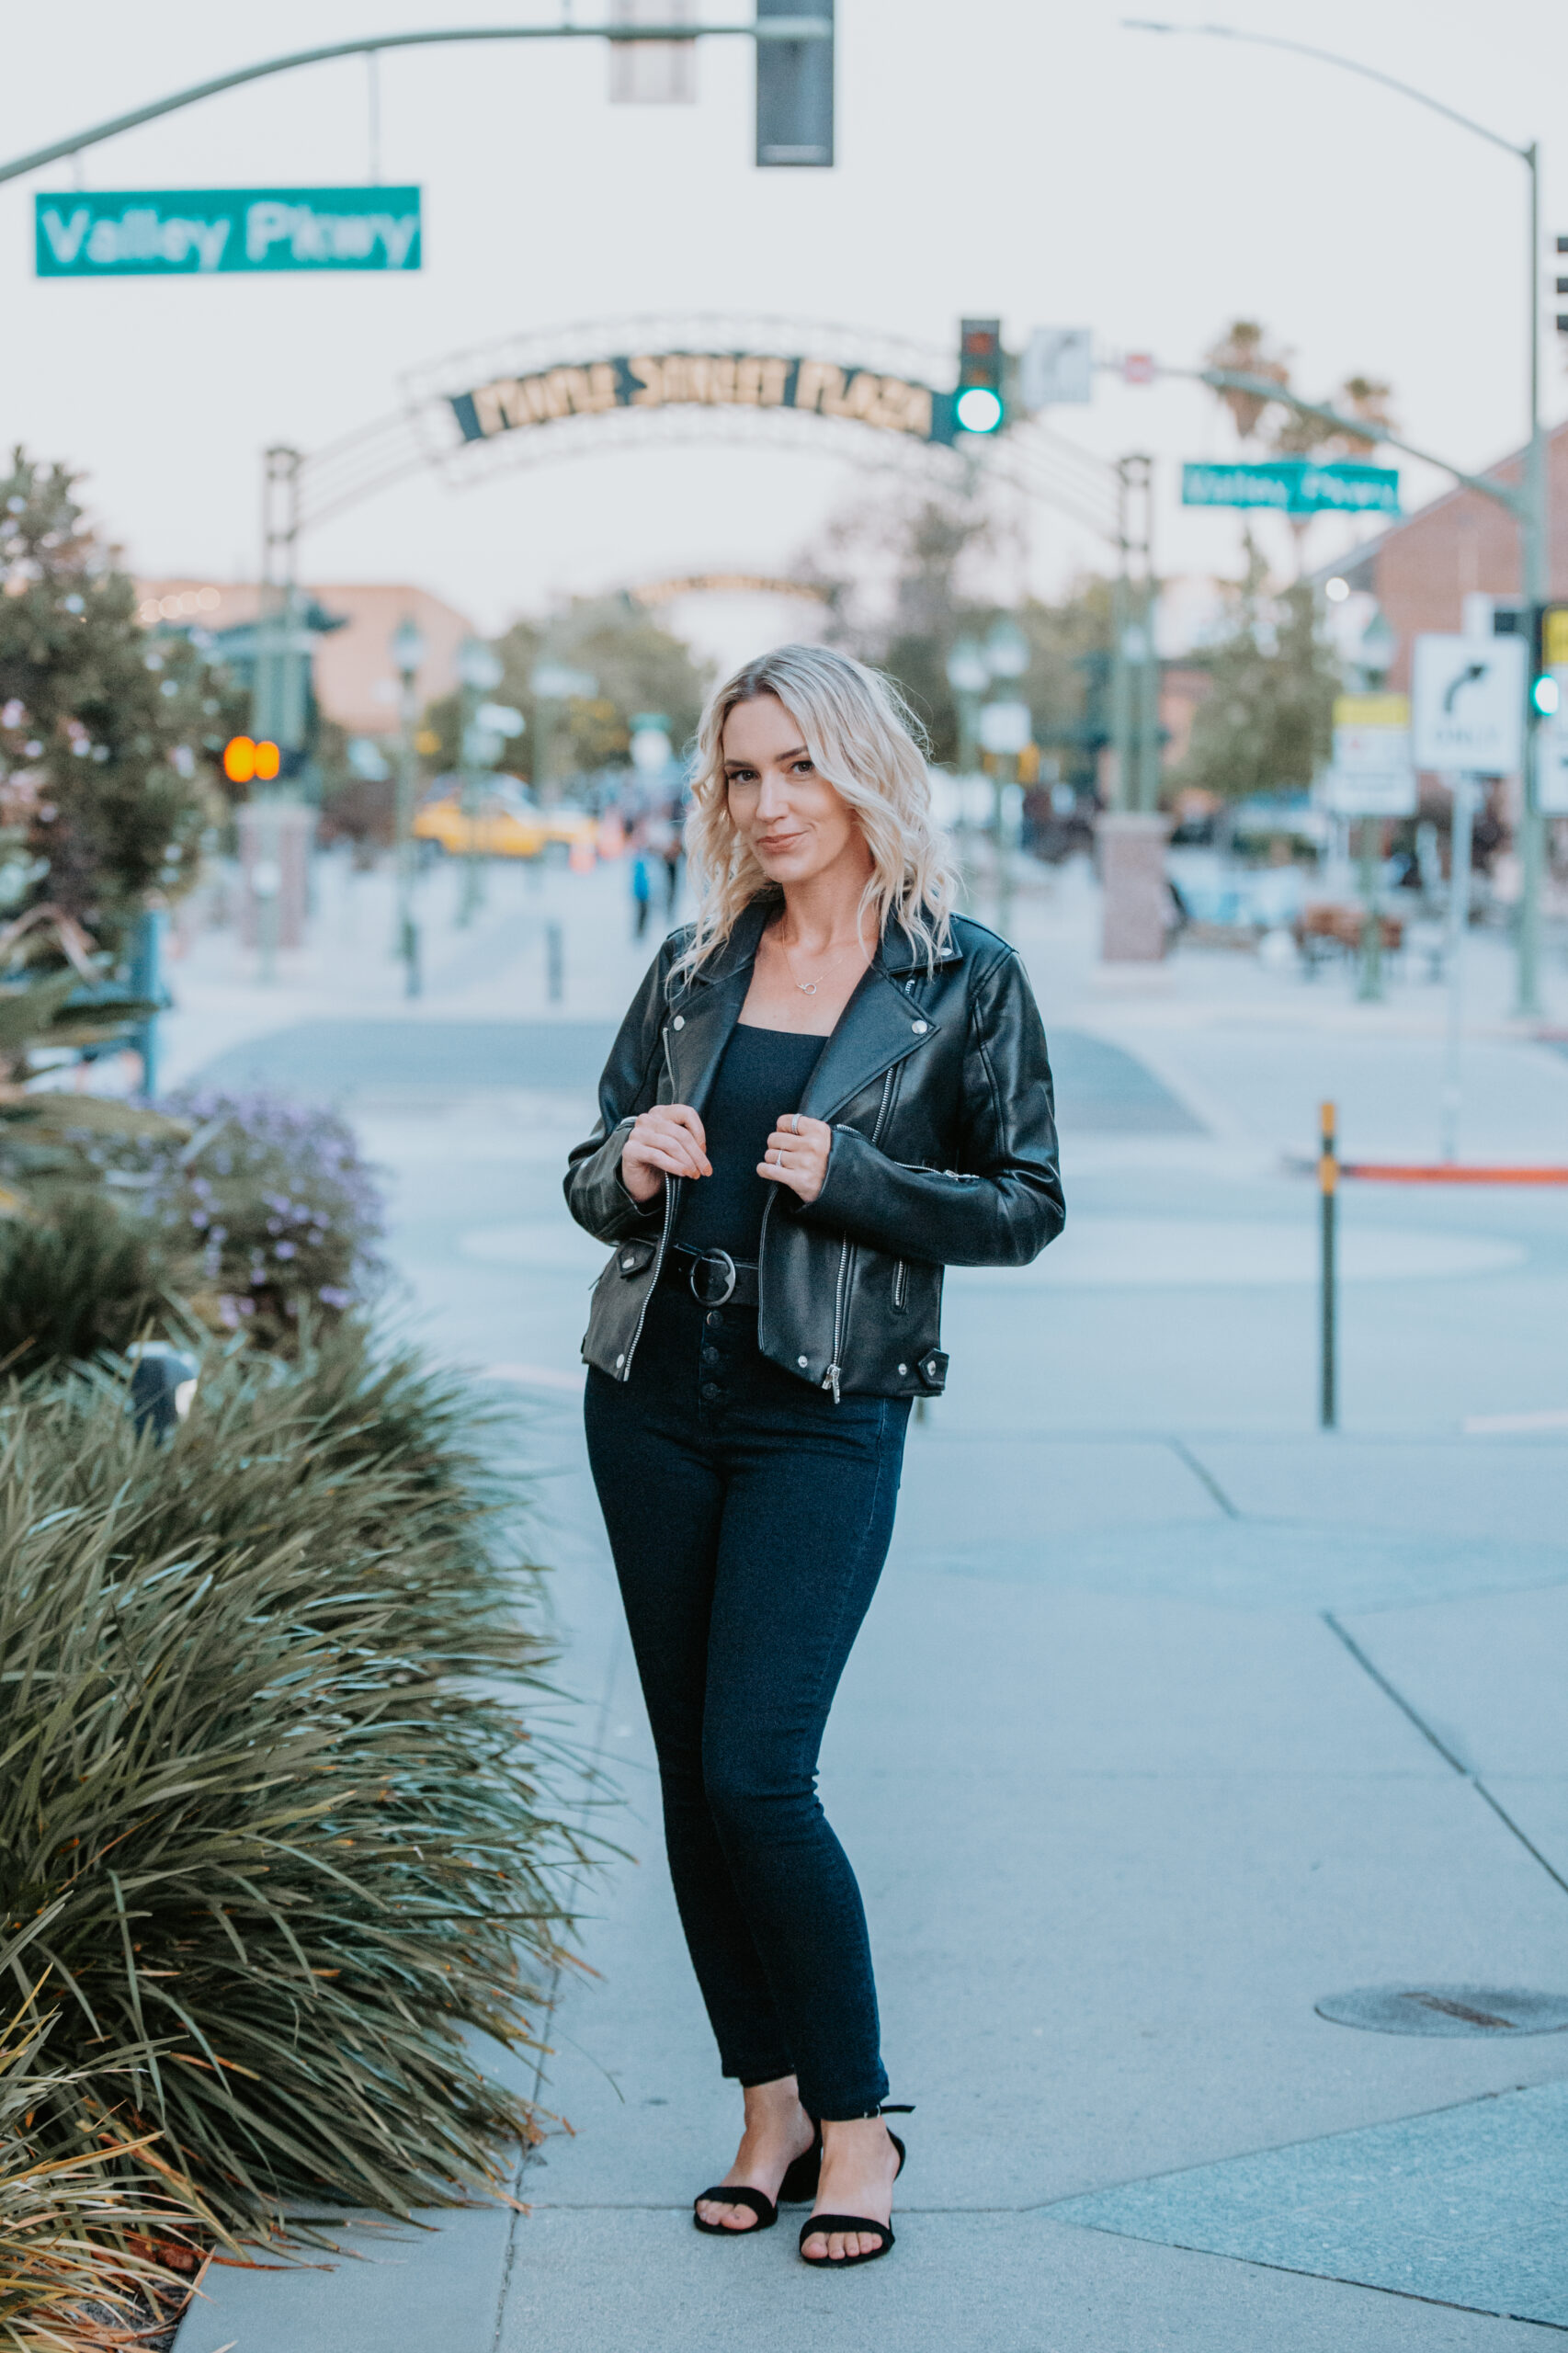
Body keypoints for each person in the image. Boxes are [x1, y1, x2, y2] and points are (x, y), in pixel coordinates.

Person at [564, 644, 1062, 2268]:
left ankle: (857, 2124)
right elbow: (587, 1167)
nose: (767, 804)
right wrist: (628, 1168)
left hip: (821, 1409)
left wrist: (857, 1181)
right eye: (739, 774)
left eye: (796, 768)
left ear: (861, 773)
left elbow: (1026, 1202)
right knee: (693, 1790)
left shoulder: (960, 977)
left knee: (757, 1773)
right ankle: (765, 2104)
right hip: (647, 1396)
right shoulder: (696, 963)